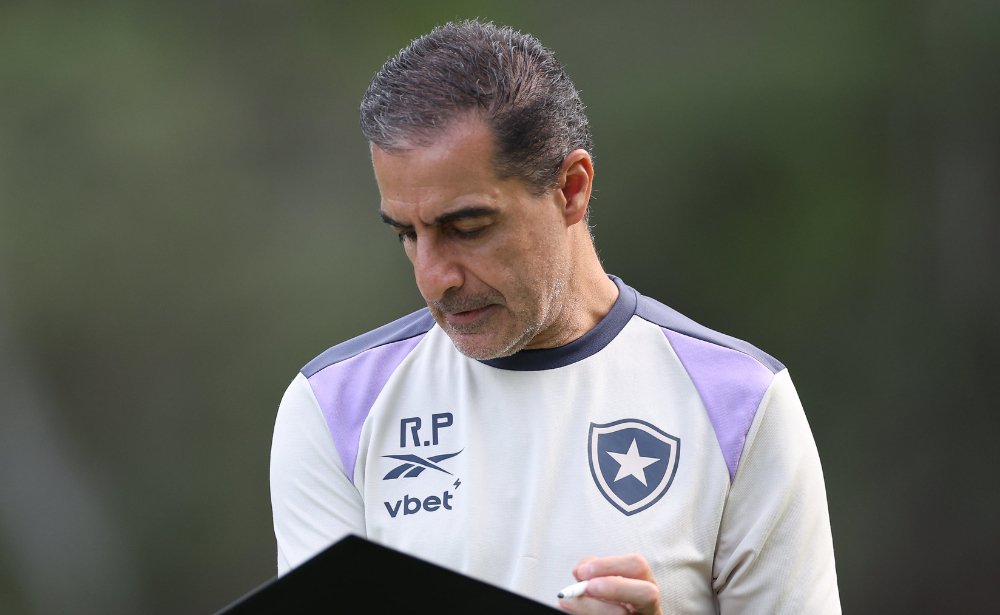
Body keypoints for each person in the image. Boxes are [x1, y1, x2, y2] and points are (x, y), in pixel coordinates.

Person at [269, 18, 841, 615]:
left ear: (571, 188)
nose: (434, 277)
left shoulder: (742, 406)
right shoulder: (334, 410)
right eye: (407, 235)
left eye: (467, 228)